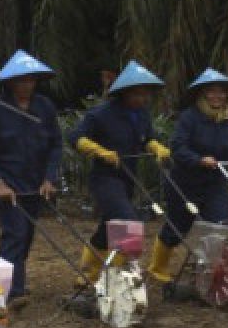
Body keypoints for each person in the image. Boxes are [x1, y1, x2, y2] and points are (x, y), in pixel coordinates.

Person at [146, 68, 228, 282]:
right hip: (185, 182)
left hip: (214, 182)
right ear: (203, 94)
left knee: (219, 225)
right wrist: (199, 160)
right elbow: (178, 147)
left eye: (222, 92)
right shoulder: (190, 118)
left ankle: (208, 272)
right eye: (212, 92)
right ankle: (157, 266)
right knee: (177, 226)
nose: (218, 96)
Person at [0, 50, 62, 309]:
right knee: (15, 233)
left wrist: (50, 177)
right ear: (11, 83)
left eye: (31, 80)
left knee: (25, 237)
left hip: (35, 184)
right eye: (22, 80)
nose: (27, 85)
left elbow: (56, 144)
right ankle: (14, 292)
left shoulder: (44, 107)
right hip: (7, 185)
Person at [68, 60, 170, 280]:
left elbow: (147, 138)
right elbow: (76, 137)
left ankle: (88, 272)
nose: (142, 99)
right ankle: (119, 276)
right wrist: (99, 150)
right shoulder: (101, 114)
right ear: (124, 92)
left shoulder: (141, 114)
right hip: (105, 179)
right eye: (137, 94)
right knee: (127, 221)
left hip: (127, 178)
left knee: (108, 227)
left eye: (145, 94)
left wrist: (155, 146)